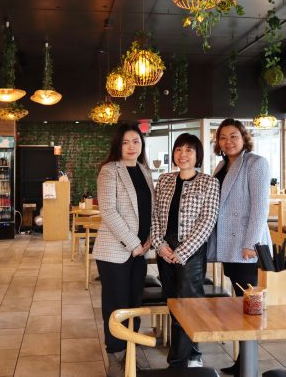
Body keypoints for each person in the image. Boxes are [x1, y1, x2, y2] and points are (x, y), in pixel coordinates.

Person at [151, 133, 220, 368]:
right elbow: (155, 215)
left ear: (198, 155)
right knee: (172, 301)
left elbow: (208, 221)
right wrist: (160, 246)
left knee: (189, 303)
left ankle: (180, 359)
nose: (183, 155)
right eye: (179, 149)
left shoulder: (209, 182)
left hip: (191, 250)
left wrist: (182, 252)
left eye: (189, 150)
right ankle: (190, 351)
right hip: (165, 249)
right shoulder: (165, 179)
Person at [92, 122, 153, 377]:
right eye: (126, 142)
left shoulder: (144, 171)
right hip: (115, 251)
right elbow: (108, 211)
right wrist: (134, 244)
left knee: (134, 303)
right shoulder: (109, 171)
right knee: (116, 305)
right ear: (118, 144)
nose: (131, 146)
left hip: (141, 250)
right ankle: (115, 358)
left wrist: (149, 240)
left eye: (136, 142)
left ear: (142, 145)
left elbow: (150, 210)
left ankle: (131, 351)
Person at [212, 118, 271, 376]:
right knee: (239, 303)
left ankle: (248, 365)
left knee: (249, 305)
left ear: (243, 137)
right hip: (229, 243)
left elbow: (260, 207)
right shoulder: (222, 165)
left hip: (246, 246)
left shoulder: (255, 163)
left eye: (233, 136)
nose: (228, 141)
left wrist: (251, 244)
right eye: (223, 137)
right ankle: (242, 362)